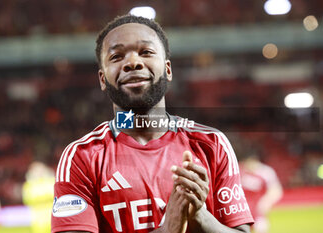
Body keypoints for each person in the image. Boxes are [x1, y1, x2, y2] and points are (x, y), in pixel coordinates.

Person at [51, 14, 254, 233]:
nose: (132, 62)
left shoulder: (212, 144)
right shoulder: (82, 156)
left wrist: (200, 216)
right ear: (102, 79)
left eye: (146, 52)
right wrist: (168, 228)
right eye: (117, 56)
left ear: (167, 69)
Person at [239, 151, 283, 233]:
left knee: (261, 228)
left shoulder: (266, 172)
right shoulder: (239, 170)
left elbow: (276, 190)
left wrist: (266, 202)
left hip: (257, 211)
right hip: (242, 211)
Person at [23, 161, 55, 233]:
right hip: (37, 216)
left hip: (51, 213)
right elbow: (27, 198)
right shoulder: (29, 184)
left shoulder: (51, 181)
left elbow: (55, 195)